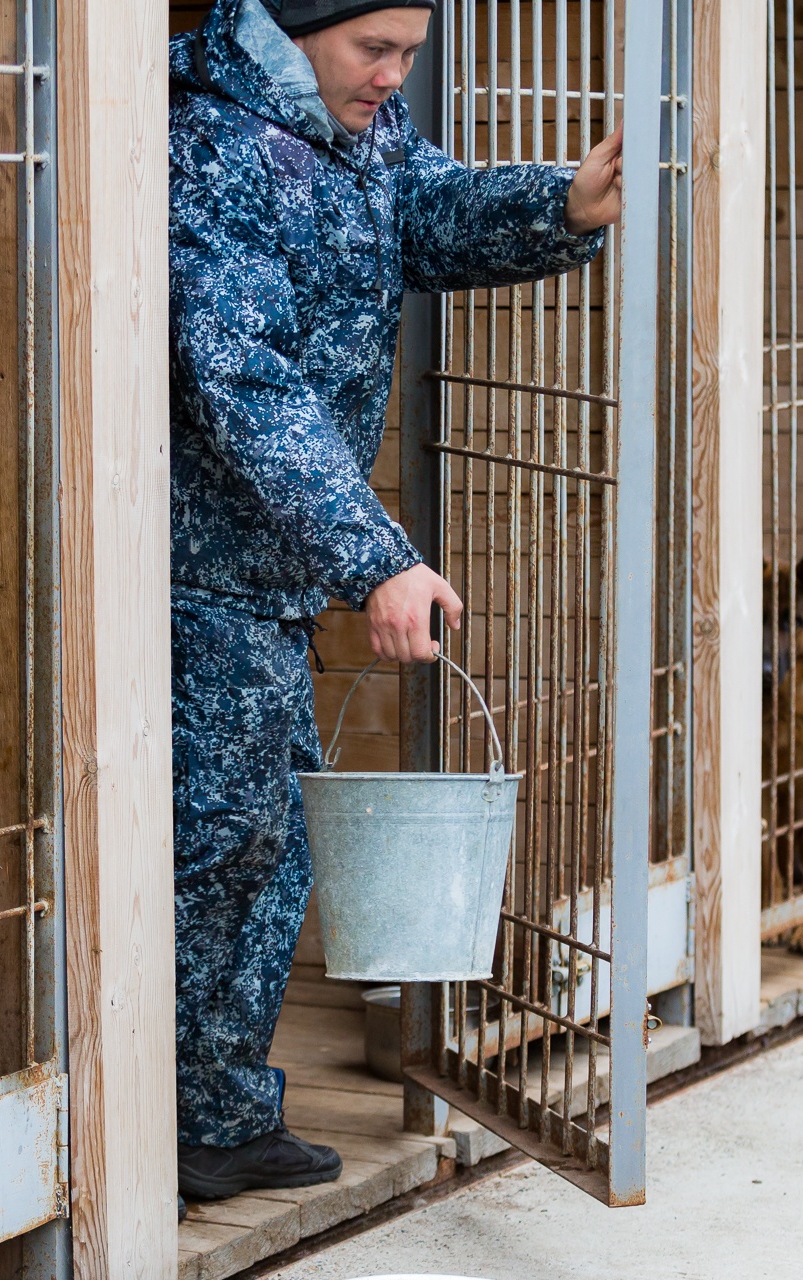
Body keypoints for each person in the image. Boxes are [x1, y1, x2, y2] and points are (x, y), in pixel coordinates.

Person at [167, 0, 625, 1203]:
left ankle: (210, 1108)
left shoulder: (350, 123)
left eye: (412, 52)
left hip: (263, 568)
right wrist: (373, 553)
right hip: (191, 564)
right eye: (378, 49)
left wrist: (560, 204)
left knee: (258, 846)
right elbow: (245, 381)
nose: (395, 75)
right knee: (221, 845)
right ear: (299, 25)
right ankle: (169, 1116)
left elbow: (424, 206)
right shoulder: (207, 143)